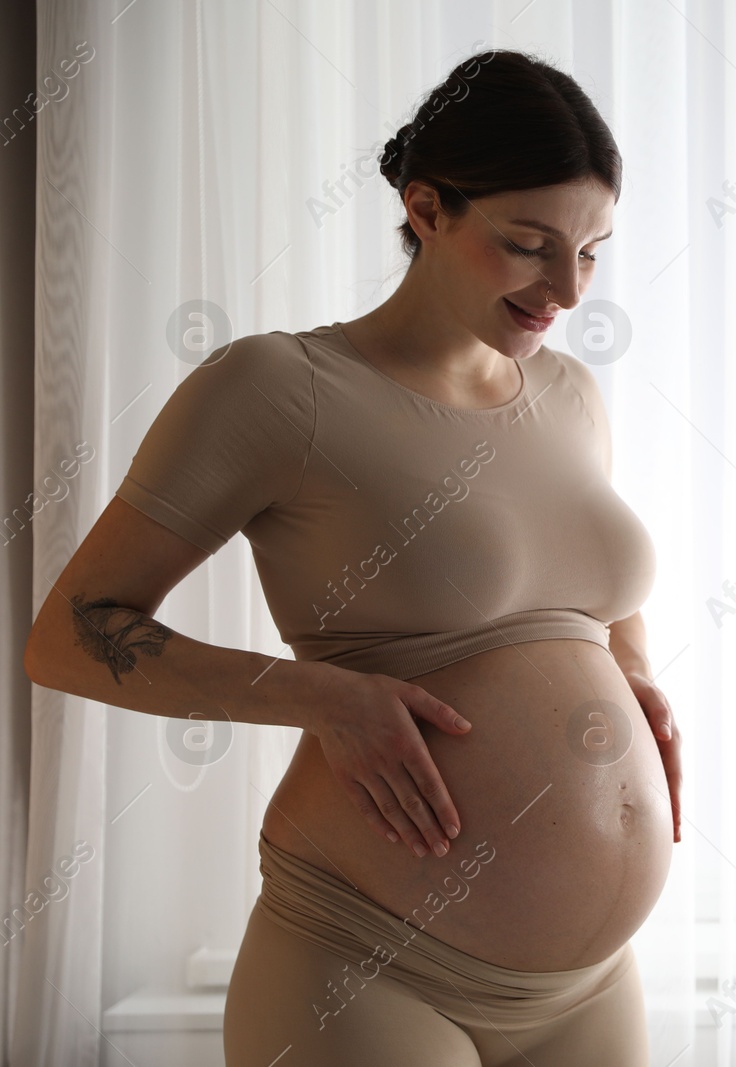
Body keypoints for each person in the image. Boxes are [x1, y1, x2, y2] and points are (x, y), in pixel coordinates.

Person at [23, 48, 681, 1066]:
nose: (566, 287)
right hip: (371, 967)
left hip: (589, 986)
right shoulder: (281, 387)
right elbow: (69, 635)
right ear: (426, 207)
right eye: (527, 243)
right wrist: (321, 696)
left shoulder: (569, 394)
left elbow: (581, 589)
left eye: (591, 251)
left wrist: (628, 663)